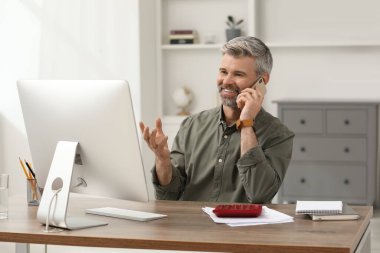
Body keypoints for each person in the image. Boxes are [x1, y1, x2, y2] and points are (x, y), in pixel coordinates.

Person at [140, 36, 294, 203]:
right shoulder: (192, 125)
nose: (226, 81)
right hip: (191, 226)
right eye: (223, 72)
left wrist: (246, 123)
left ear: (261, 81)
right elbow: (169, 196)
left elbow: (259, 194)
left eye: (238, 74)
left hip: (244, 228)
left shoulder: (278, 134)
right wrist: (162, 161)